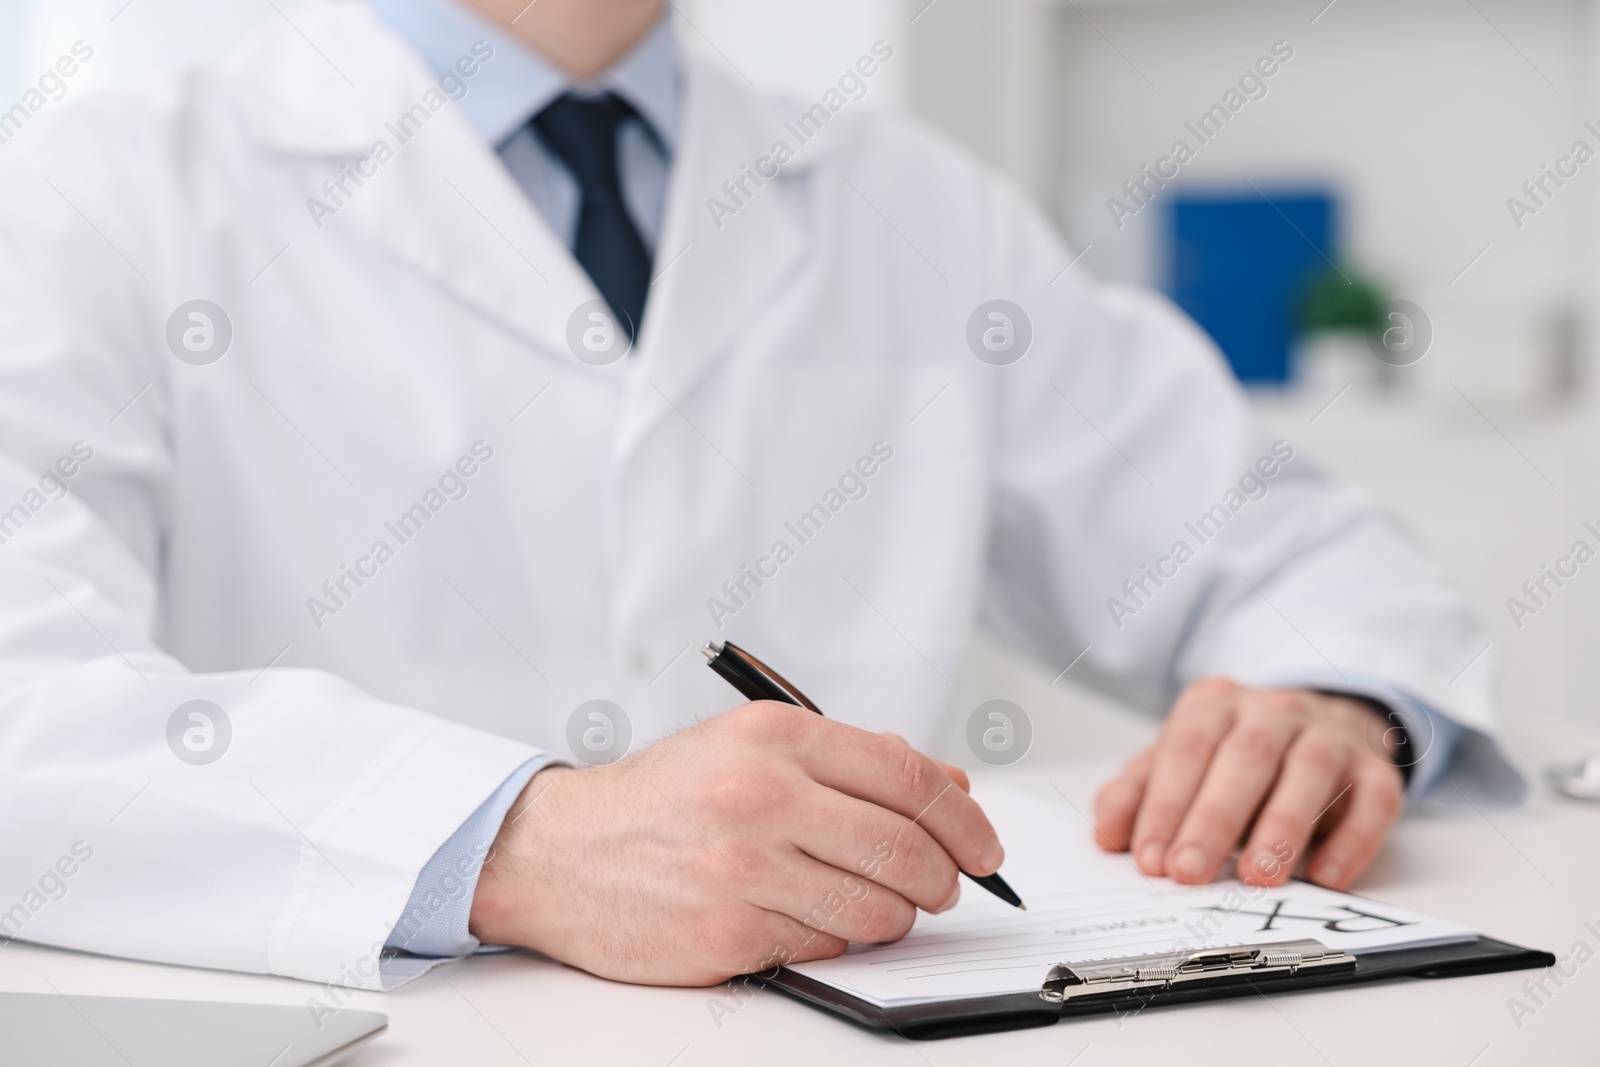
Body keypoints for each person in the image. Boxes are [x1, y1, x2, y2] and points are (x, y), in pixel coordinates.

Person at [0, 0, 1522, 991]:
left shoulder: (912, 204)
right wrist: (510, 840)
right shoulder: (107, 195)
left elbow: (1279, 542)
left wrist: (1334, 701)